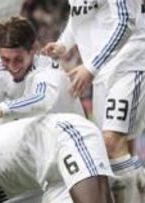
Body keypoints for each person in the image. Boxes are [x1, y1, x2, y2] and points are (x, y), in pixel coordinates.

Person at [42, 0, 145, 202]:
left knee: (110, 143)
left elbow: (125, 21)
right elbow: (80, 15)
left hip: (130, 64)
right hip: (102, 71)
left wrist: (91, 67)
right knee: (117, 152)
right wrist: (63, 44)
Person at [0, 16, 85, 136]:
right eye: (6, 59)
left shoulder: (47, 71)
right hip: (38, 140)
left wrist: (0, 109)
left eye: (18, 59)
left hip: (71, 137)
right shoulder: (0, 70)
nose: (13, 66)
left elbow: (41, 100)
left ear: (33, 49)